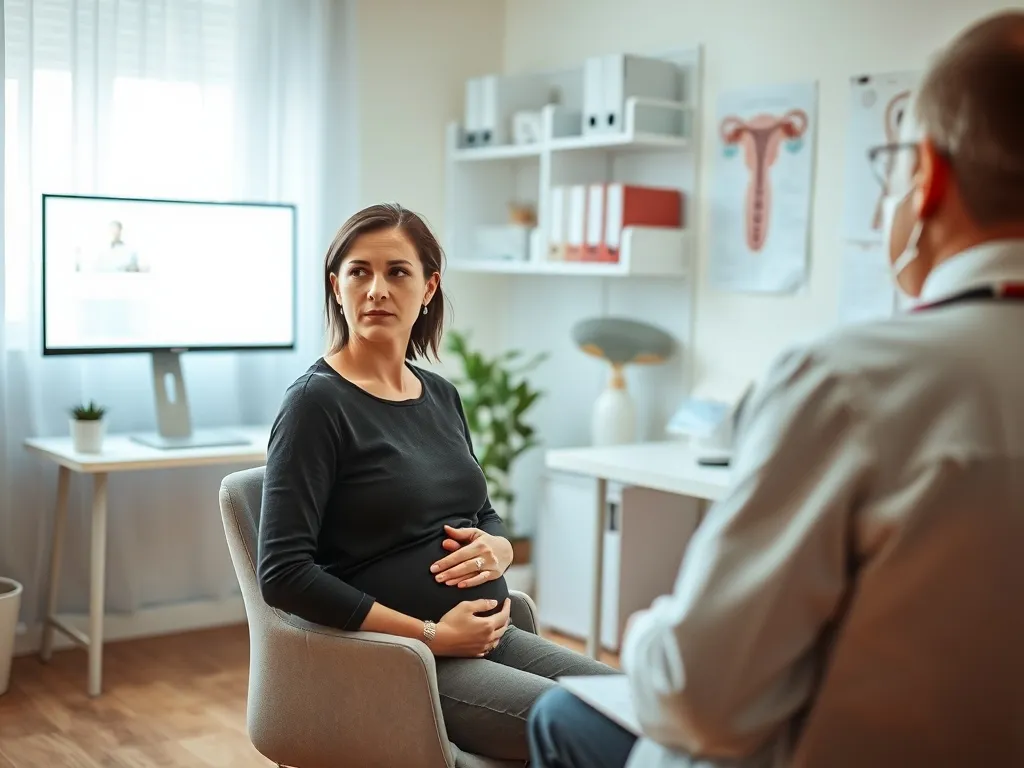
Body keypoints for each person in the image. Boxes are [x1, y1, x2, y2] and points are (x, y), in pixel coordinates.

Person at [528, 10, 1024, 768]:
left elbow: (698, 698)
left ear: (928, 178)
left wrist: (645, 631)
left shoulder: (848, 383)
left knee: (563, 715)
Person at [257, 201, 616, 762]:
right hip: (399, 660)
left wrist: (497, 547)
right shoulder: (315, 405)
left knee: (634, 703)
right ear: (336, 286)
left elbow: (482, 513)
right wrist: (430, 635)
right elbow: (283, 575)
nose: (377, 289)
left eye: (397, 271)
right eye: (359, 271)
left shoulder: (440, 396)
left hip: (490, 639)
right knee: (593, 729)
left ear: (428, 287)